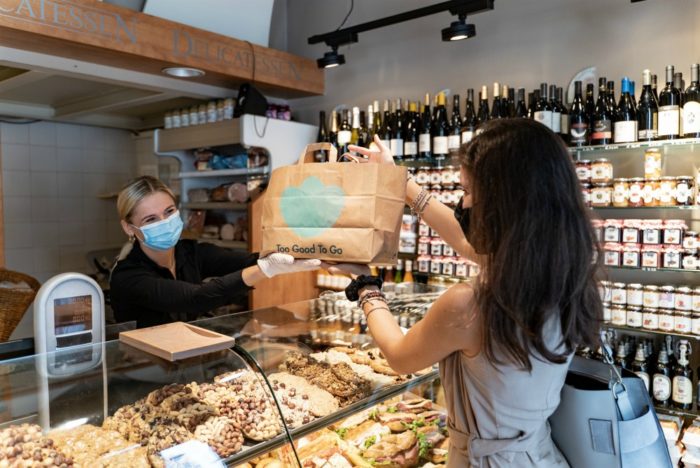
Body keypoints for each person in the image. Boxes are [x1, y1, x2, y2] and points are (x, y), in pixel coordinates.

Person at [340, 119, 602, 467]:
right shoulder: (563, 272)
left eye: (466, 190)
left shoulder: (470, 304)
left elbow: (400, 357)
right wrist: (403, 183)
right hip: (539, 454)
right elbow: (467, 244)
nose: (463, 203)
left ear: (501, 202)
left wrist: (366, 288)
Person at [110, 176, 321, 328]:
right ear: (129, 227)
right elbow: (196, 298)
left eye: (169, 211)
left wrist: (299, 253)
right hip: (143, 375)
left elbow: (245, 261)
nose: (164, 222)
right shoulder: (127, 277)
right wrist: (265, 268)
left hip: (186, 366)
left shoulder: (189, 252)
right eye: (151, 219)